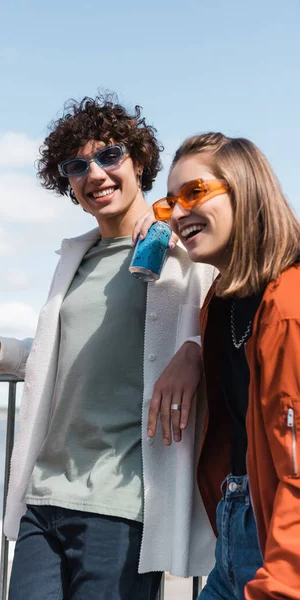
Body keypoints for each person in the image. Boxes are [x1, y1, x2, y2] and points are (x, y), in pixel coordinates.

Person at [0, 95, 216, 600]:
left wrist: (193, 349)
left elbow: (234, 320)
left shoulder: (187, 249)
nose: (94, 173)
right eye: (77, 166)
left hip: (123, 503)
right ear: (69, 186)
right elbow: (65, 353)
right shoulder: (77, 258)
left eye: (109, 156)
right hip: (46, 495)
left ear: (139, 161)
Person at [145, 132, 300, 599]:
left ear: (246, 188)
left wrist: (280, 581)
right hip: (235, 528)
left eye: (195, 192)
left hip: (279, 545)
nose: (178, 212)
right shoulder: (221, 303)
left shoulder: (289, 305)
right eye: (169, 203)